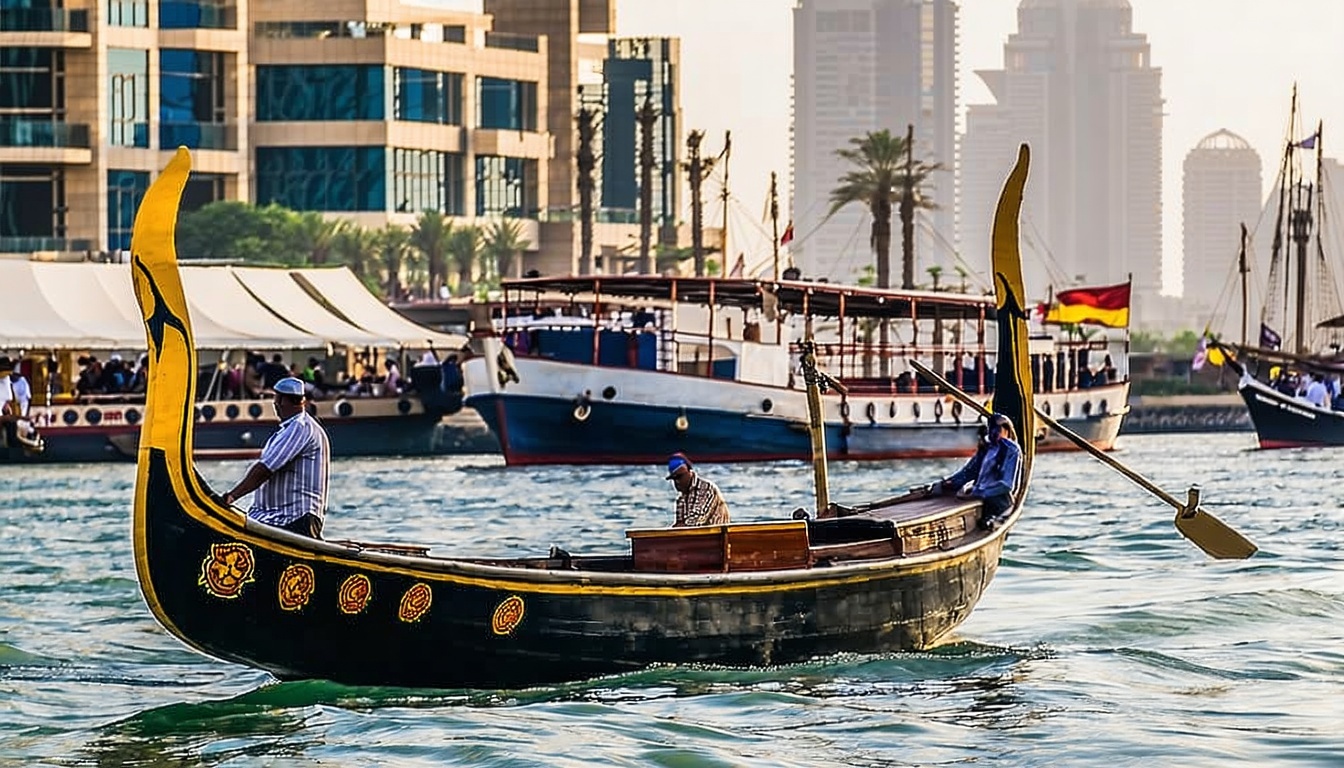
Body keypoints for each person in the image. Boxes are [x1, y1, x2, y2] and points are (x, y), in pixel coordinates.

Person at [220, 377, 330, 539]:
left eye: (276, 398)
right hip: (271, 517)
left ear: (281, 401)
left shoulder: (300, 427)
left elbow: (265, 469)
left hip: (293, 519)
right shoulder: (291, 428)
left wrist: (231, 497)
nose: (274, 403)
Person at [935, 413, 1022, 530]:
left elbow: (1007, 485)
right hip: (980, 500)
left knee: (987, 525)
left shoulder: (1011, 450)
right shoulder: (986, 448)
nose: (993, 433)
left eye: (997, 429)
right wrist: (951, 482)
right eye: (991, 429)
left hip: (999, 505)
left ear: (1006, 430)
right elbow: (968, 472)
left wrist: (979, 492)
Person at [665, 452, 730, 527]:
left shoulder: (707, 489)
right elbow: (680, 526)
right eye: (674, 479)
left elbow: (696, 522)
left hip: (716, 537)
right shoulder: (681, 499)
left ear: (690, 472)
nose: (677, 482)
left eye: (679, 477)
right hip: (696, 537)